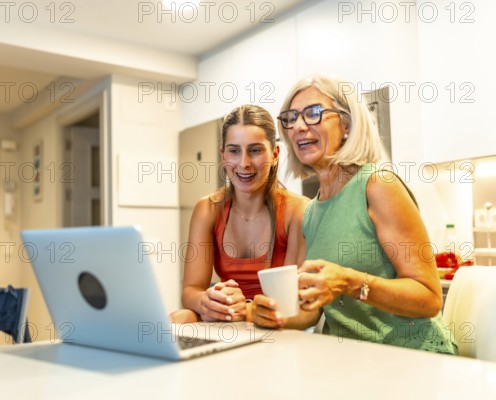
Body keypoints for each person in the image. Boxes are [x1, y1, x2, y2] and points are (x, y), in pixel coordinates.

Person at [252, 75, 457, 354]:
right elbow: (311, 313)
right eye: (290, 118)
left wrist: (351, 282)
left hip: (410, 358)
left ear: (346, 125)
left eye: (313, 114)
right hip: (348, 360)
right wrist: (269, 313)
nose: (298, 126)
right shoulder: (311, 211)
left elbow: (430, 297)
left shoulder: (378, 185)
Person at [170, 104, 308, 324]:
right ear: (223, 154)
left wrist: (244, 308)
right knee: (178, 317)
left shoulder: (297, 211)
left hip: (275, 321)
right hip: (229, 317)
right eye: (234, 151)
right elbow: (190, 291)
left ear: (274, 154)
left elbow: (292, 303)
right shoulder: (207, 209)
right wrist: (207, 300)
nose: (244, 163)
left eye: (255, 150)